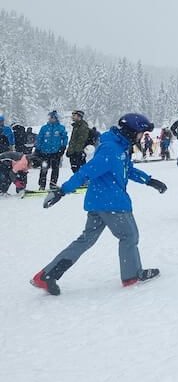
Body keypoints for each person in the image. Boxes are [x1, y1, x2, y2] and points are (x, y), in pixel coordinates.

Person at [29, 113, 167, 295]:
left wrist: (149, 180)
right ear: (131, 132)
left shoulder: (119, 147)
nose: (142, 137)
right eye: (141, 133)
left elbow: (128, 169)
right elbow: (86, 172)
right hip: (112, 203)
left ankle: (47, 275)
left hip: (99, 202)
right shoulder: (111, 149)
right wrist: (62, 190)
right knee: (129, 236)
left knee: (86, 240)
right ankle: (132, 275)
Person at [35, 110, 68, 191]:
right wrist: (38, 149)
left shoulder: (60, 128)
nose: (51, 119)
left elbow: (65, 138)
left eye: (53, 118)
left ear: (56, 118)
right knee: (44, 169)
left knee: (55, 169)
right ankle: (42, 185)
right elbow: (39, 139)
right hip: (44, 152)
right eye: (50, 117)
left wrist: (62, 148)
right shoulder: (44, 128)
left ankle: (53, 185)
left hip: (56, 152)